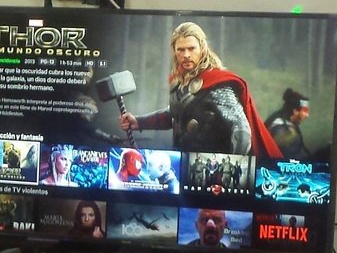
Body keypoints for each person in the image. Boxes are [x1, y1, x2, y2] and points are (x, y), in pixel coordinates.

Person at [118, 22, 281, 157]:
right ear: (174, 51)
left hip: (211, 170)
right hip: (183, 162)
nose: (186, 55)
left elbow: (241, 130)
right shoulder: (181, 80)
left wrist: (231, 166)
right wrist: (139, 122)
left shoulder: (217, 84)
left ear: (202, 48)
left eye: (191, 48)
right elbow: (177, 115)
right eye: (181, 50)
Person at [264, 88, 312, 161]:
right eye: (305, 111)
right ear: (295, 111)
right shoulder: (281, 129)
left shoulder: (289, 124)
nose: (307, 115)